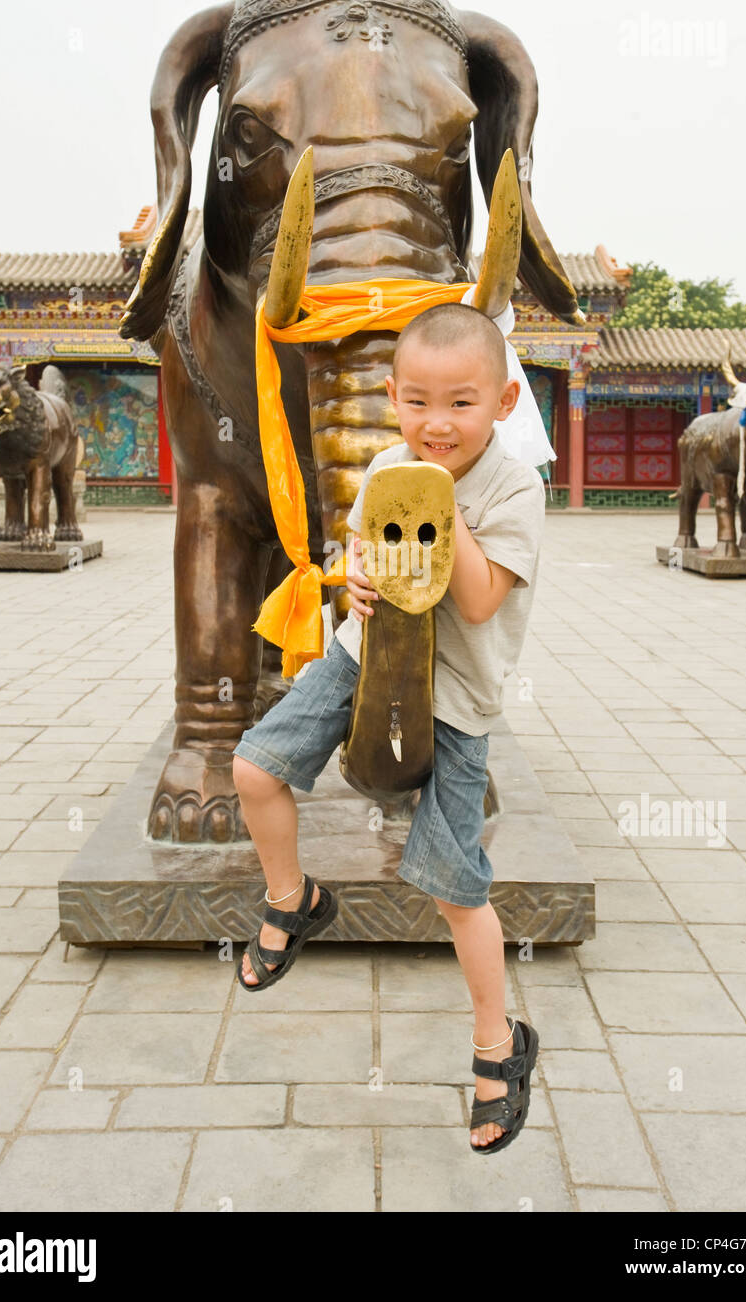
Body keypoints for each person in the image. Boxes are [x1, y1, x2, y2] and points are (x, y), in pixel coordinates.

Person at [232, 301, 545, 1153]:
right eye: (416, 402)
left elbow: (478, 601)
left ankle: (498, 1046)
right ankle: (294, 899)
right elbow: (363, 562)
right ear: (391, 396)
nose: (435, 423)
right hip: (362, 654)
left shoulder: (516, 487)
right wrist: (355, 585)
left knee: (454, 891)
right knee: (255, 770)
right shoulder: (380, 467)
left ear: (505, 403)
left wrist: (438, 501)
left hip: (454, 699)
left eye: (460, 403)